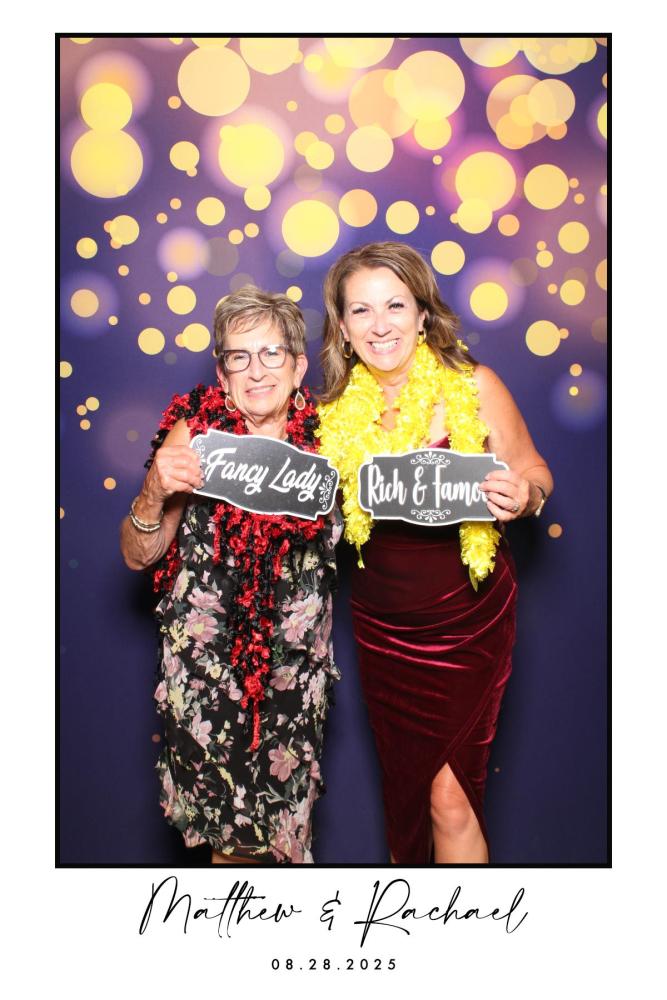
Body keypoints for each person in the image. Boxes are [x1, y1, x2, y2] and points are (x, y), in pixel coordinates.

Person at [317, 242, 553, 864]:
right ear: (343, 327)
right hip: (383, 628)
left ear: (423, 314)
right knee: (408, 796)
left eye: (395, 305)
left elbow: (535, 472)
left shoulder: (473, 386)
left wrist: (524, 496)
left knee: (452, 798)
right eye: (362, 310)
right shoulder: (328, 415)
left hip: (468, 620)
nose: (380, 324)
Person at [120, 286, 342, 864]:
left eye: (271, 353)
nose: (257, 370)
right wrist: (153, 491)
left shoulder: (334, 442)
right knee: (232, 844)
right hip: (207, 670)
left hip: (294, 676)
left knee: (283, 842)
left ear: (298, 367)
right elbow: (138, 557)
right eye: (240, 357)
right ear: (222, 373)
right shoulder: (195, 436)